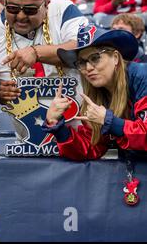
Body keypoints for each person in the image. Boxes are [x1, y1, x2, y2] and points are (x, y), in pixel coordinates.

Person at [43, 25, 146, 160]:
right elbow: (90, 148)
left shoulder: (142, 76)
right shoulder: (98, 93)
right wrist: (56, 126)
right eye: (82, 62)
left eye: (95, 58)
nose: (88, 68)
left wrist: (109, 121)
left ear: (115, 58)